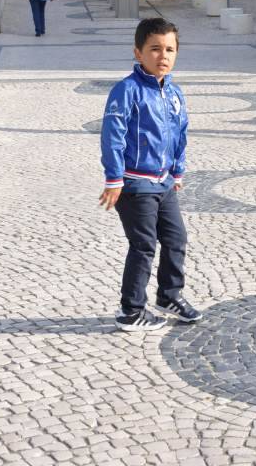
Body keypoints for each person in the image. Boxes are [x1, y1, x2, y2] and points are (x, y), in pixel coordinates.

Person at [99, 17, 202, 332]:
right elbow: (112, 136)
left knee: (176, 239)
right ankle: (130, 310)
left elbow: (180, 133)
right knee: (143, 245)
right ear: (138, 52)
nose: (163, 56)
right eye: (155, 49)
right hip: (134, 183)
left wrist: (178, 169)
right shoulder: (126, 90)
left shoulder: (174, 93)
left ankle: (169, 296)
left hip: (164, 182)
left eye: (170, 49)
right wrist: (114, 179)